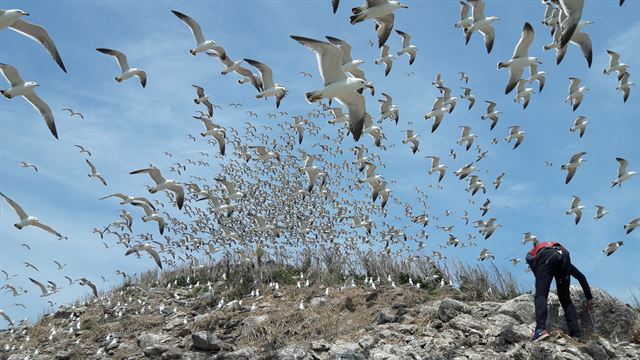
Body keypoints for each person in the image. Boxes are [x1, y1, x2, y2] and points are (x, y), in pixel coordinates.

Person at [526, 241, 594, 342]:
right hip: (564, 257)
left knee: (541, 294)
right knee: (565, 298)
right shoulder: (557, 251)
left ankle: (540, 330)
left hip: (547, 257)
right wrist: (589, 298)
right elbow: (581, 277)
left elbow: (539, 274)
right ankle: (576, 334)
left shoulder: (530, 255)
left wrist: (544, 280)